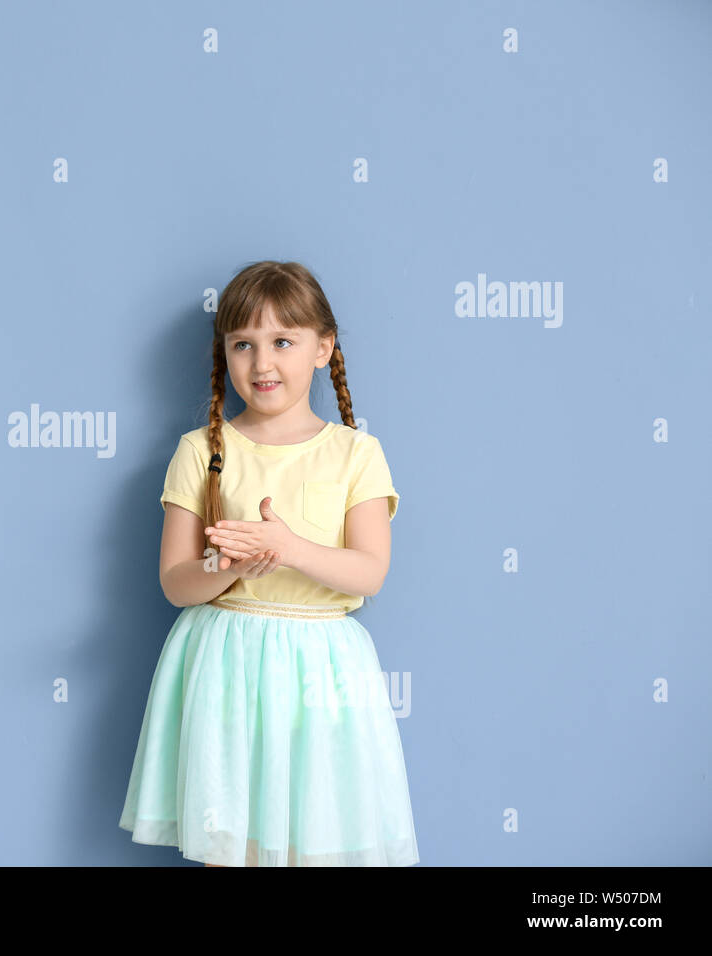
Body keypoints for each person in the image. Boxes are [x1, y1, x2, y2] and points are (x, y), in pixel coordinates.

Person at [118, 260, 420, 866]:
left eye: (283, 341)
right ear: (224, 353)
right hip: (224, 663)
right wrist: (232, 566)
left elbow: (369, 572)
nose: (262, 363)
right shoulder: (200, 450)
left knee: (319, 833)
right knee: (230, 844)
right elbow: (177, 582)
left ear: (322, 347)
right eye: (243, 345)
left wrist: (286, 548)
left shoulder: (357, 453)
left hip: (323, 669)